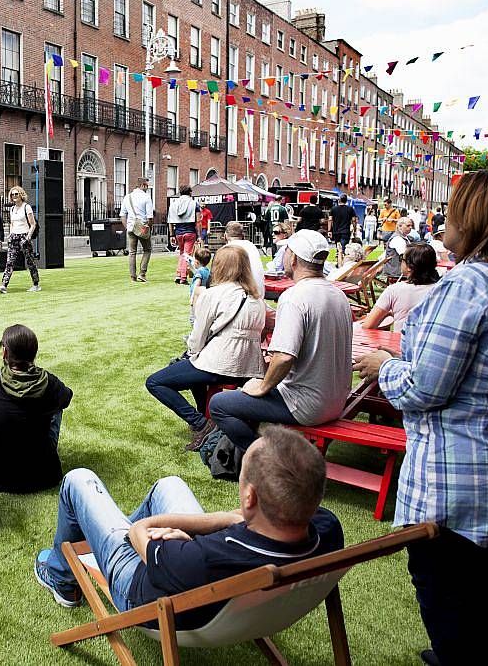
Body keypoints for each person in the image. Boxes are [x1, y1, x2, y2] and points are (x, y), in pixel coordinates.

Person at [353, 169, 488, 666]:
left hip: (469, 476)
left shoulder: (469, 285)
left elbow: (423, 387)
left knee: (443, 580)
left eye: (454, 208)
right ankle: (463, 649)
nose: (444, 217)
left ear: (475, 219)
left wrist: (383, 366)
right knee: (469, 577)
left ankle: (462, 654)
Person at [32, 428, 344, 627]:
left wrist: (169, 541)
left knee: (78, 480)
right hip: (193, 573)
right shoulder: (327, 528)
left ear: (249, 497)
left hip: (144, 594)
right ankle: (103, 538)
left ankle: (61, 577)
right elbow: (223, 530)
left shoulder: (202, 559)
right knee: (169, 485)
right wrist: (224, 520)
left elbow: (138, 532)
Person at [209, 230, 352, 463]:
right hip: (336, 399)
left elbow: (284, 356)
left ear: (293, 258)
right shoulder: (338, 295)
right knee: (248, 388)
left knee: (219, 404)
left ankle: (267, 460)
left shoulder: (295, 297)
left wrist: (263, 387)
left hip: (306, 404)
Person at [146, 245, 267, 446]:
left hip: (220, 363)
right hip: (250, 367)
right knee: (194, 368)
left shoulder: (213, 295)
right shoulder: (257, 298)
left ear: (218, 266)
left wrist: (190, 354)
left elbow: (197, 337)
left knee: (156, 382)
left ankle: (201, 422)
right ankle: (204, 417)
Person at [0, 324, 73, 493]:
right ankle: (43, 450)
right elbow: (66, 396)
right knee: (57, 403)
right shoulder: (49, 383)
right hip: (43, 473)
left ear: (4, 352)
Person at [362, 243, 439, 332]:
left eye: (402, 258)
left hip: (400, 343)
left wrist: (387, 314)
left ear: (409, 267)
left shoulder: (395, 290)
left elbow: (368, 325)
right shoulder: (442, 290)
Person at [0, 185, 40, 293]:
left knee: (30, 261)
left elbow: (33, 224)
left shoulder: (27, 207)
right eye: (12, 194)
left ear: (21, 195)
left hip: (24, 236)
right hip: (14, 237)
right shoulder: (12, 209)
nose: (14, 196)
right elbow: (12, 223)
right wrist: (10, 234)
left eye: (16, 194)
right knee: (10, 261)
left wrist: (28, 236)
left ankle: (36, 284)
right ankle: (4, 284)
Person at [120, 177, 155, 283]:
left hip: (131, 227)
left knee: (132, 252)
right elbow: (150, 217)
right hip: (142, 226)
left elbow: (122, 215)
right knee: (147, 250)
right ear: (143, 185)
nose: (148, 187)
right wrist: (149, 228)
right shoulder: (146, 197)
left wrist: (127, 227)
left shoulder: (127, 197)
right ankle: (142, 273)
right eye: (147, 185)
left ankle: (132, 277)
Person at [168, 185, 201, 285]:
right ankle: (182, 277)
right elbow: (198, 221)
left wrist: (171, 235)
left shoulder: (173, 204)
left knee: (182, 254)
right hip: (190, 231)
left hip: (178, 232)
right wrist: (199, 235)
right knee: (187, 255)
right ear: (190, 192)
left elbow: (170, 221)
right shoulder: (194, 203)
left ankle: (179, 274)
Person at [223, 221, 265, 298]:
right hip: (258, 295)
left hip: (242, 299)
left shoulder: (226, 250)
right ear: (242, 236)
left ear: (225, 236)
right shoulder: (252, 246)